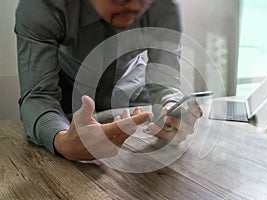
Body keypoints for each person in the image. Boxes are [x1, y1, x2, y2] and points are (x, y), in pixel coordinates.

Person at [15, 0, 202, 161]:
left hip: (133, 92)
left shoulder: (164, 6)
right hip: (67, 95)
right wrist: (61, 141)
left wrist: (170, 107)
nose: (137, 6)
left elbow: (165, 83)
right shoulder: (42, 5)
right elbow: (38, 95)